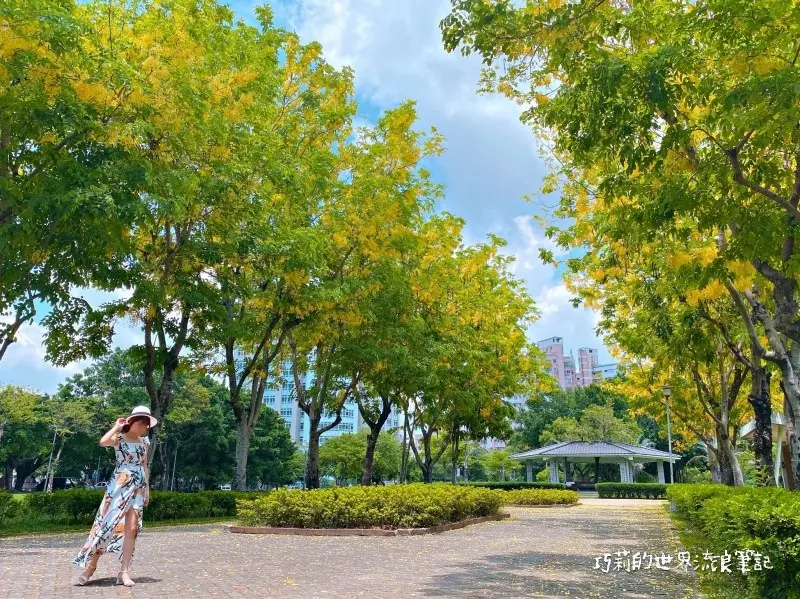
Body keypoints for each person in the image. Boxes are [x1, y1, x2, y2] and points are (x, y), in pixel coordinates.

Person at [73, 405, 157, 587]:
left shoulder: (145, 442)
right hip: (120, 485)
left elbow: (144, 465)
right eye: (144, 423)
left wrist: (147, 489)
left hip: (138, 487)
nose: (146, 427)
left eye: (147, 424)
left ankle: (124, 572)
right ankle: (91, 567)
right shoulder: (119, 438)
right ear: (135, 422)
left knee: (132, 528)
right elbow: (103, 442)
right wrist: (117, 427)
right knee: (107, 525)